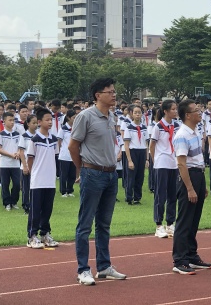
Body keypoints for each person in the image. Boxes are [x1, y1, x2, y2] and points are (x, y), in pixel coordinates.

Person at [68, 78, 127, 286]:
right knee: (85, 224)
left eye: (114, 91)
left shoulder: (111, 116)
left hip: (111, 174)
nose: (114, 94)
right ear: (98, 95)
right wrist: (82, 168)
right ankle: (83, 269)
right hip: (92, 173)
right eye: (110, 92)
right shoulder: (85, 116)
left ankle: (104, 266)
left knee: (104, 224)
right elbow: (73, 146)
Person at [172, 99, 211, 275]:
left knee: (194, 220)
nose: (200, 113)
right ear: (187, 115)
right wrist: (189, 188)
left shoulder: (195, 132)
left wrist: (202, 185)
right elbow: (182, 164)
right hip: (189, 176)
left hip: (198, 175)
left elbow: (198, 160)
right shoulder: (182, 135)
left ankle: (191, 255)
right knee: (185, 220)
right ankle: (180, 260)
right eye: (196, 111)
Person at [26, 107, 60, 249]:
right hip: (38, 180)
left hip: (50, 180)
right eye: (47, 120)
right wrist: (33, 172)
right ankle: (31, 236)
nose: (50, 122)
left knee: (47, 209)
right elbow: (30, 159)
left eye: (51, 120)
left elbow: (55, 156)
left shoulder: (53, 139)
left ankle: (45, 233)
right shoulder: (34, 139)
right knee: (35, 209)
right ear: (39, 122)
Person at [150, 100, 180, 238]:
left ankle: (170, 223)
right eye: (173, 109)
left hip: (174, 162)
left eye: (176, 109)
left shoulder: (177, 125)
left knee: (173, 195)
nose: (175, 111)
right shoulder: (158, 127)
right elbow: (152, 145)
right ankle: (158, 225)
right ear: (166, 111)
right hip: (162, 163)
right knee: (160, 195)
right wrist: (155, 160)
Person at [121, 105, 148, 205]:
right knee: (131, 176)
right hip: (133, 152)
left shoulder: (144, 128)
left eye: (139, 112)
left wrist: (147, 159)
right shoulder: (129, 128)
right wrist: (129, 160)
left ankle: (137, 198)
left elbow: (146, 144)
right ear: (131, 114)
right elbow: (126, 145)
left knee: (140, 176)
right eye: (135, 112)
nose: (137, 114)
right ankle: (129, 197)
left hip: (142, 152)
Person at [0, 112, 22, 211]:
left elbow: (20, 147)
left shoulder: (17, 134)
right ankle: (7, 202)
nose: (12, 122)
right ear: (4, 121)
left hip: (15, 163)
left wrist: (18, 153)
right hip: (5, 163)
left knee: (17, 184)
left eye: (13, 120)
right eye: (10, 120)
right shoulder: (1, 134)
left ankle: (14, 201)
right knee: (5, 184)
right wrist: (11, 155)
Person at [57, 110, 77, 198]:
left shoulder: (76, 128)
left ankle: (70, 190)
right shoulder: (63, 128)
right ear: (68, 118)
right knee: (64, 174)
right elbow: (59, 141)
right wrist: (60, 150)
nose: (75, 119)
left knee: (72, 174)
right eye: (74, 118)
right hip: (64, 155)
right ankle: (63, 191)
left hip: (73, 155)